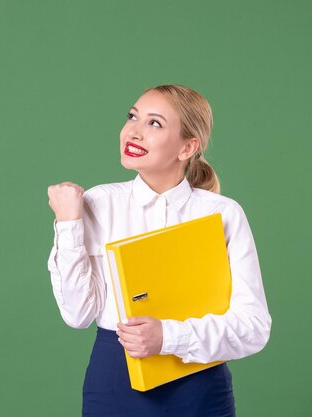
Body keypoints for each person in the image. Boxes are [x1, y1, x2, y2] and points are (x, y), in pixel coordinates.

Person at [46, 84, 272, 417]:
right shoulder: (98, 203)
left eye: (154, 123)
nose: (133, 132)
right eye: (132, 116)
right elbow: (78, 315)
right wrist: (67, 224)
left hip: (201, 388)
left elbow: (254, 328)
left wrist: (167, 337)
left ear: (187, 147)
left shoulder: (222, 214)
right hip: (114, 383)